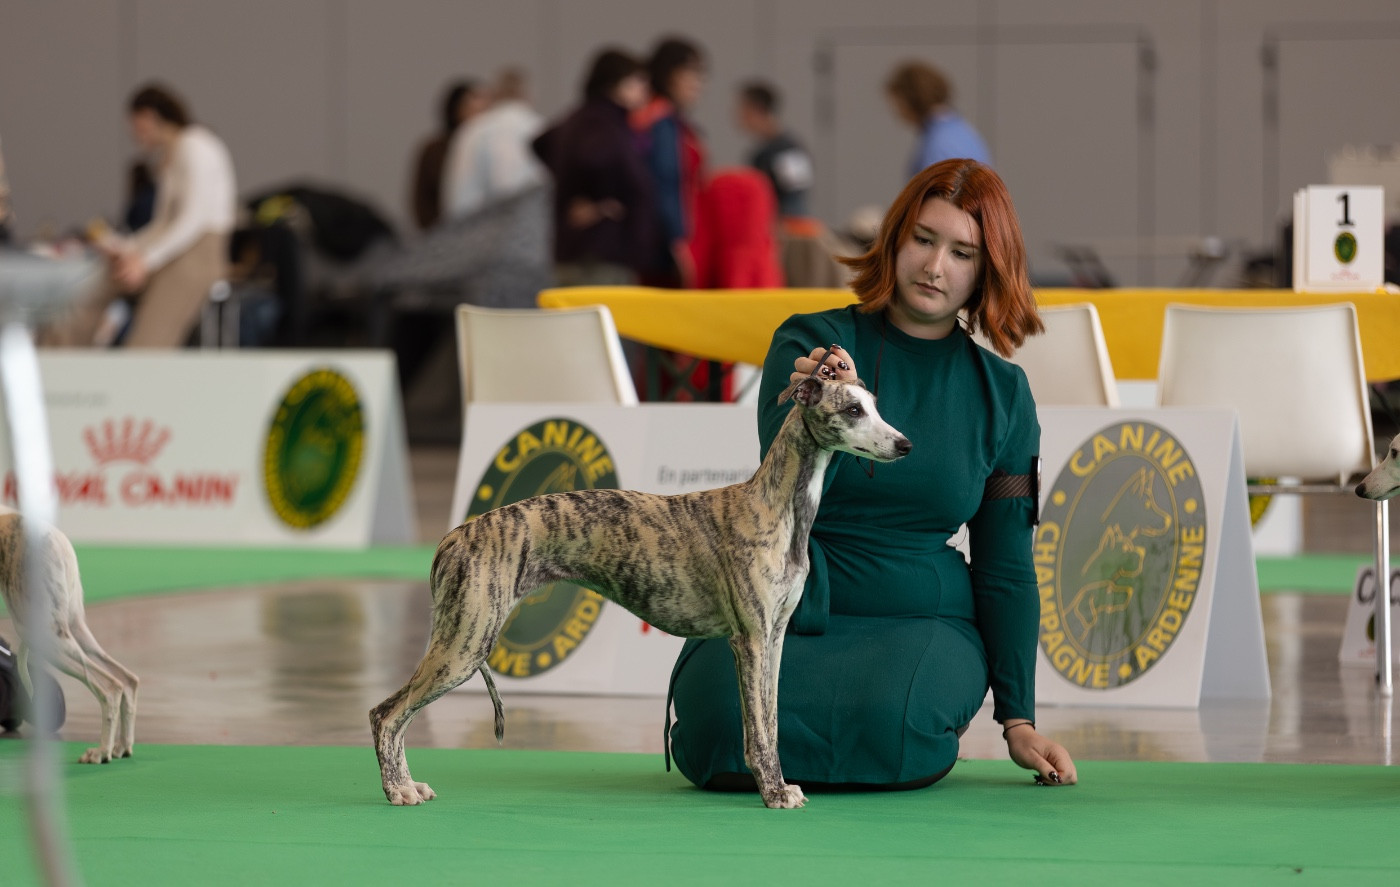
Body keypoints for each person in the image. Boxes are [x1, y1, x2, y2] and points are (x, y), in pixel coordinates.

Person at [668, 158, 1078, 793]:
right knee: (721, 725)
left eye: (962, 252)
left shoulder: (1004, 394)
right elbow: (784, 485)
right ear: (894, 239)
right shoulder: (808, 341)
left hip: (920, 618)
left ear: (987, 269)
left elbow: (1005, 567)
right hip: (786, 606)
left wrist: (1018, 720)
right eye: (923, 239)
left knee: (898, 725)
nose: (934, 266)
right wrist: (826, 396)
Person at [44, 83, 236, 348]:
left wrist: (145, 261)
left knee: (148, 343)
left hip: (196, 257)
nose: (134, 135)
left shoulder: (196, 144)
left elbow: (194, 219)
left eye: (135, 126)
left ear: (149, 116)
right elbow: (163, 224)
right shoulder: (170, 156)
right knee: (97, 283)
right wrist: (127, 249)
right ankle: (61, 352)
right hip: (171, 251)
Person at [532, 48, 656, 286]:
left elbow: (540, 144)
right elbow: (594, 158)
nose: (644, 90)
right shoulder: (603, 123)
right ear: (615, 84)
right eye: (637, 82)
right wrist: (601, 202)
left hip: (574, 247)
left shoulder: (579, 119)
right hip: (599, 252)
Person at [634, 36, 707, 286]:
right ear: (670, 75)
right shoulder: (660, 120)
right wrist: (677, 242)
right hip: (668, 244)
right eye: (692, 73)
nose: (698, 83)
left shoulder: (659, 117)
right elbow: (665, 183)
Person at [441, 68, 547, 222]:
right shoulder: (543, 129)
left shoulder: (472, 131)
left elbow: (459, 195)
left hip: (480, 229)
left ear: (496, 95)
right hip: (533, 227)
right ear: (529, 95)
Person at [886, 61, 992, 177]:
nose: (898, 113)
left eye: (899, 104)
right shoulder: (963, 132)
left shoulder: (939, 144)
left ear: (911, 99)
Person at [409, 79, 488, 231]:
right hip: (445, 231)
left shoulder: (492, 149)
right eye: (471, 107)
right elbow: (422, 200)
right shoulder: (434, 150)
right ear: (455, 109)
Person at [736, 81, 813, 219]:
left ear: (757, 109)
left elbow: (795, 197)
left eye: (743, 110)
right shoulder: (762, 153)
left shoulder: (787, 150)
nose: (739, 116)